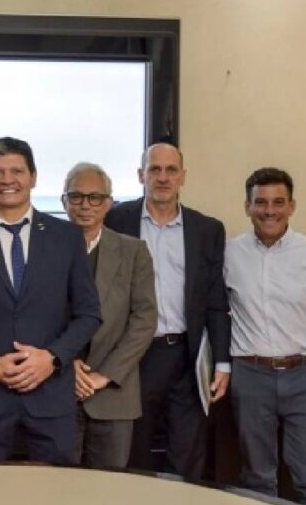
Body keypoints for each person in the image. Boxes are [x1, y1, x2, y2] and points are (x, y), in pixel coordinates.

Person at [0, 137, 101, 464]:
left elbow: (89, 314)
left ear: (33, 177)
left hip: (51, 397)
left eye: (17, 171)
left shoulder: (67, 237)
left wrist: (52, 359)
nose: (7, 180)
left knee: (56, 489)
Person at [104, 142, 230, 479]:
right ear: (140, 175)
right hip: (134, 356)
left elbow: (215, 300)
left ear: (183, 176)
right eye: (154, 169)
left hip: (187, 355)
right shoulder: (116, 220)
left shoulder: (207, 230)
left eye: (171, 170)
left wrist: (222, 362)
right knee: (134, 451)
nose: (163, 177)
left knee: (187, 454)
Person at [225, 167, 306, 505]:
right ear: (247, 207)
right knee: (257, 480)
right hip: (251, 376)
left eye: (278, 202)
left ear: (291, 206)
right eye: (261, 202)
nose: (270, 211)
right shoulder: (229, 254)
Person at [61, 162, 157, 468]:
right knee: (57, 487)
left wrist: (104, 375)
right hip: (58, 388)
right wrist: (63, 363)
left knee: (110, 488)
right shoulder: (43, 249)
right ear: (64, 201)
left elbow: (144, 320)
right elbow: (35, 315)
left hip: (114, 392)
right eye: (76, 197)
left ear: (109, 204)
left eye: (95, 197)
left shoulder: (133, 251)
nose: (85, 205)